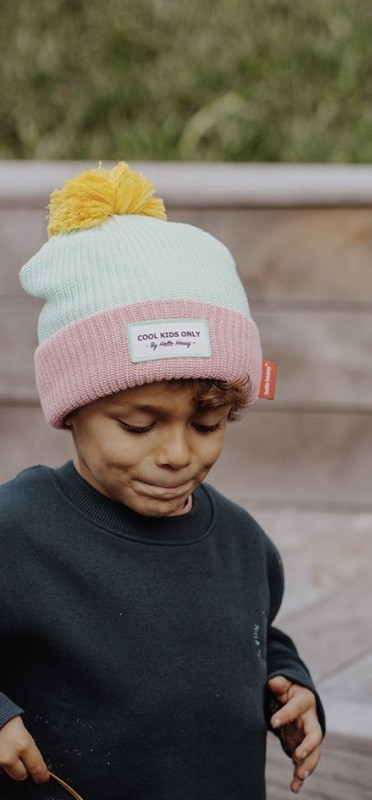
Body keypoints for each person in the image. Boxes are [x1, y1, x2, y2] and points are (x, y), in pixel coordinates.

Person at [0, 162, 324, 799]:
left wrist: (291, 682)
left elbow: (251, 630)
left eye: (206, 423)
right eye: (138, 424)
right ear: (73, 409)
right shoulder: (20, 528)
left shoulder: (239, 540)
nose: (177, 454)